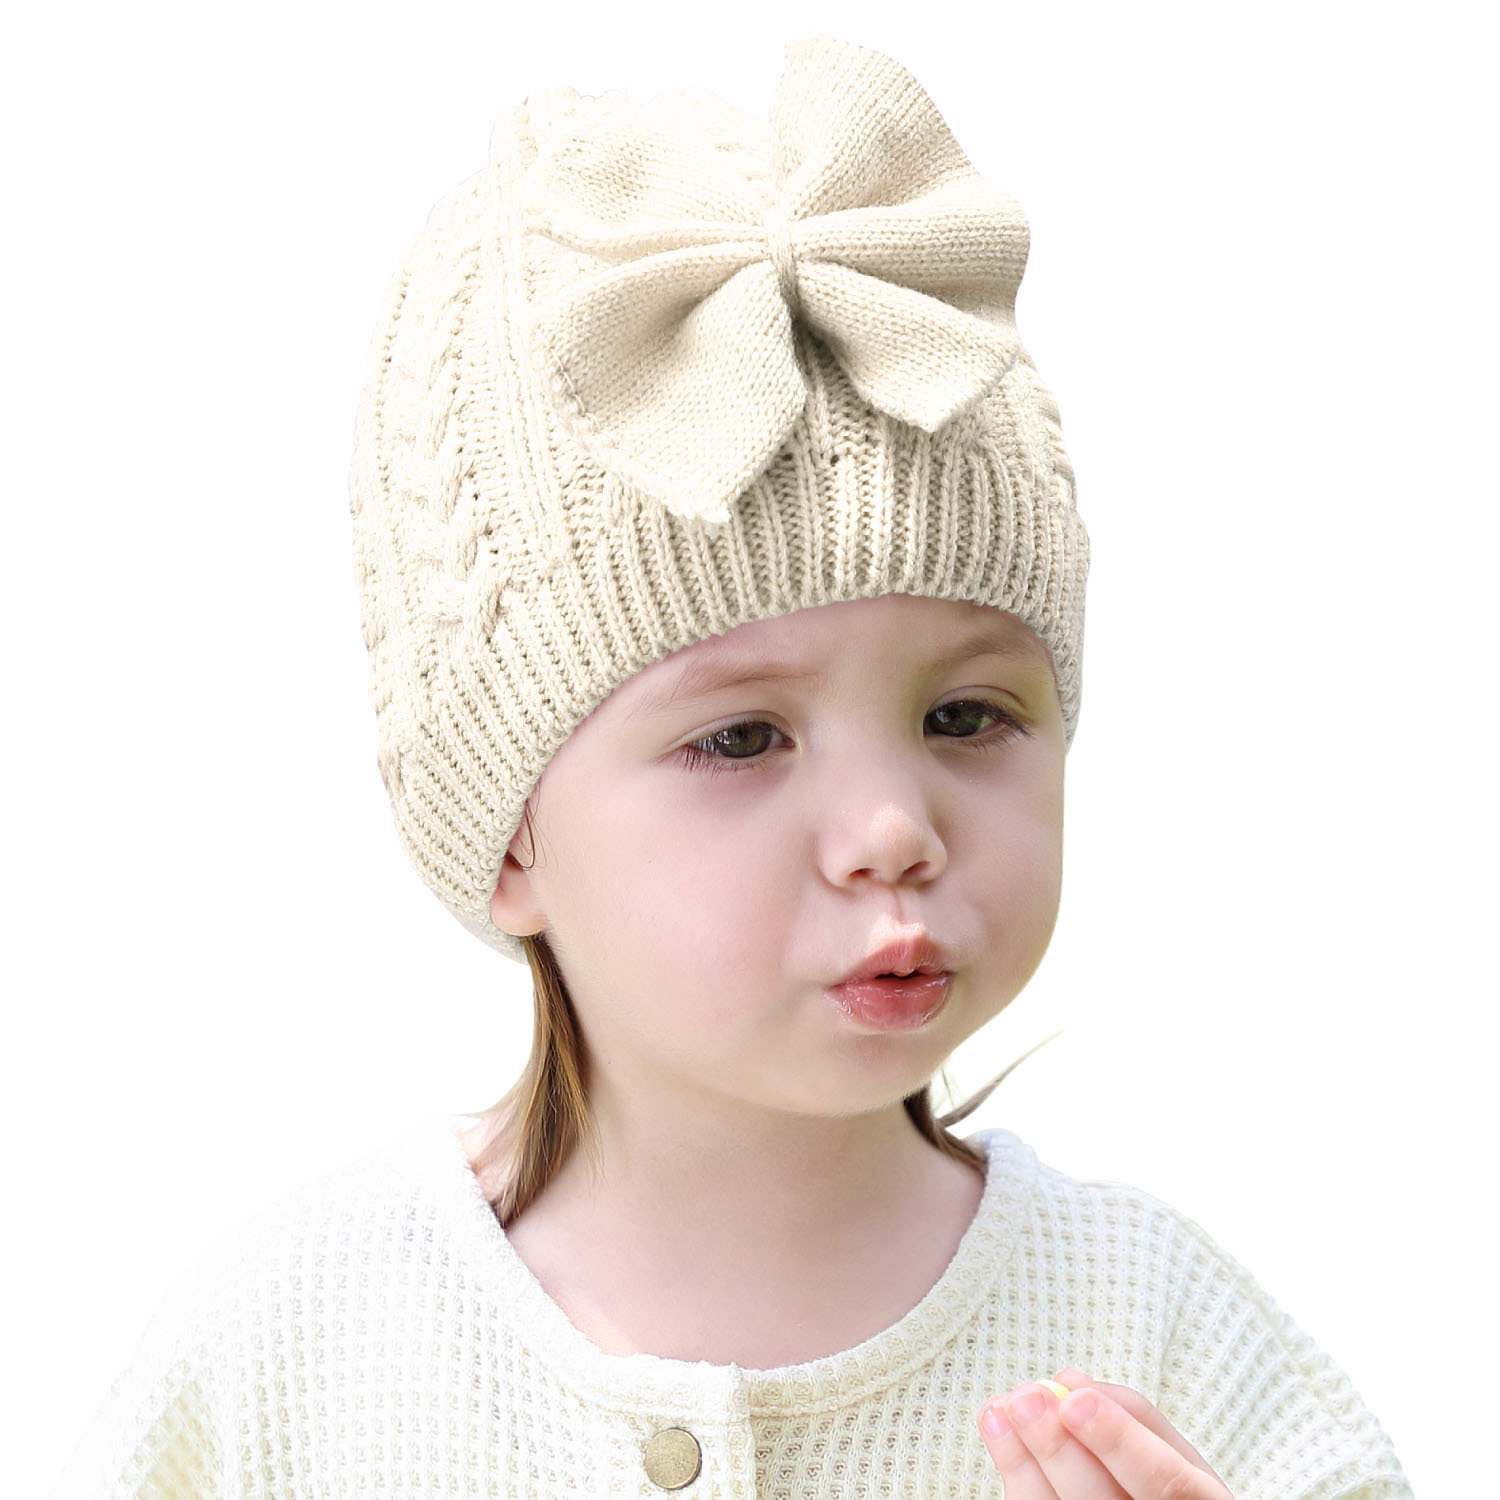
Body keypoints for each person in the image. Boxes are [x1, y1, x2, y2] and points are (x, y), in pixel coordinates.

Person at [54, 31, 1414, 1500]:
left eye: (968, 715)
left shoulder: (1168, 1340)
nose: (892, 828)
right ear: (508, 837)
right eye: (741, 738)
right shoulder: (283, 1359)